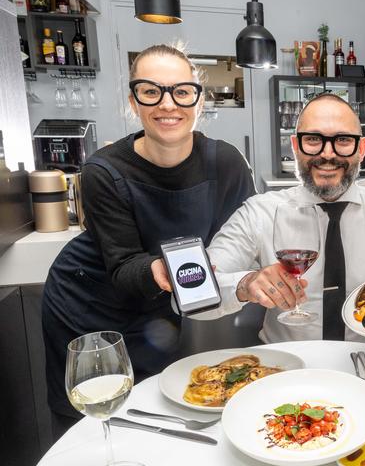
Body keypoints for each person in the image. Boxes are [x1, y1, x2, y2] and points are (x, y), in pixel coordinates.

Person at [41, 44, 256, 438]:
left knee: (157, 412)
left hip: (160, 308)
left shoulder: (225, 161)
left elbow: (250, 232)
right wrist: (161, 269)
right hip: (89, 301)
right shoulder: (103, 171)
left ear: (199, 99)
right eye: (151, 91)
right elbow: (123, 266)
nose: (168, 104)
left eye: (181, 91)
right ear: (133, 101)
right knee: (92, 423)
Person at [192, 93, 365, 343]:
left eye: (343, 140)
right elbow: (194, 297)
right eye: (314, 139)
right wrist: (245, 284)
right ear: (295, 146)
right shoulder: (259, 214)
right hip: (285, 369)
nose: (328, 154)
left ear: (361, 149)